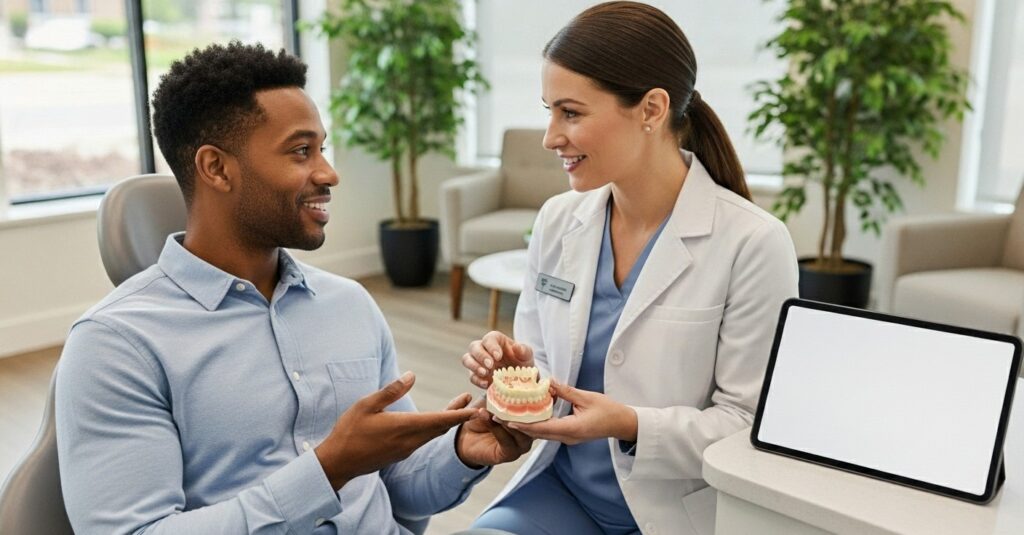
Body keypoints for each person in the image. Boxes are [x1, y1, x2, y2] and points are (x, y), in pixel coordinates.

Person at [55, 42, 531, 534]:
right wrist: (328, 469)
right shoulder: (115, 345)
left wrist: (462, 452)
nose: (328, 172)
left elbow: (397, 486)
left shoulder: (349, 305)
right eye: (301, 151)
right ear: (216, 168)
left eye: (322, 148)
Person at [460, 2, 799, 534]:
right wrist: (515, 374)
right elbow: (545, 362)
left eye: (570, 113)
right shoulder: (558, 219)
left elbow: (746, 426)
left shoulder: (754, 243)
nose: (550, 136)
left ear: (651, 109)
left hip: (673, 513)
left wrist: (630, 424)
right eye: (549, 110)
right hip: (562, 493)